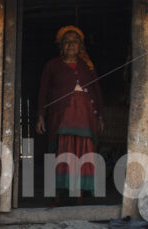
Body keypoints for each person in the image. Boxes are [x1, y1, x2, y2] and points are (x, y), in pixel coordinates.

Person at [36, 25, 105, 205]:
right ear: (61, 46)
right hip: (60, 117)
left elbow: (96, 90)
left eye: (75, 42)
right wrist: (41, 115)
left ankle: (80, 193)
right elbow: (43, 91)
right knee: (62, 152)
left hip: (85, 117)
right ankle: (58, 193)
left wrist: (100, 116)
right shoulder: (52, 65)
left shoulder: (87, 66)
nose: (71, 45)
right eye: (66, 42)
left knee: (84, 152)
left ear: (81, 46)